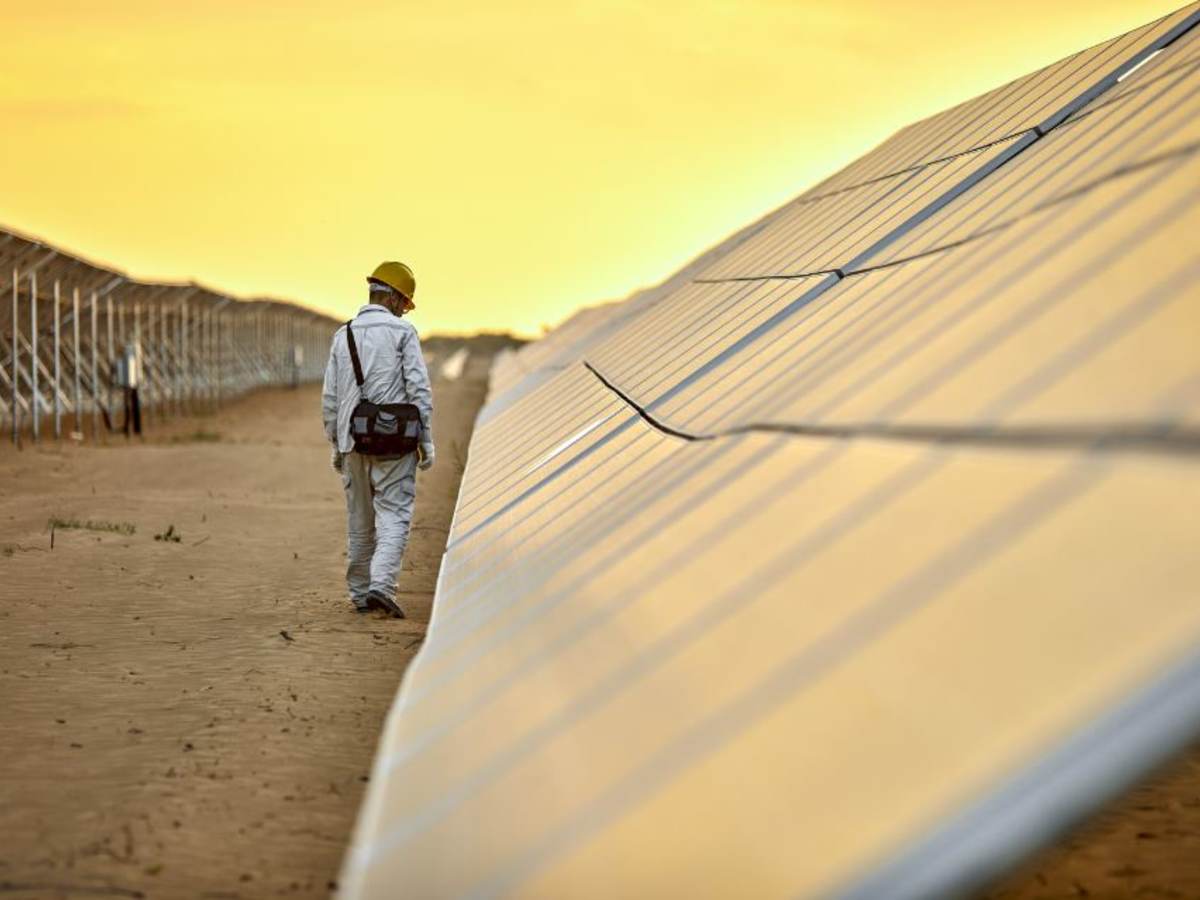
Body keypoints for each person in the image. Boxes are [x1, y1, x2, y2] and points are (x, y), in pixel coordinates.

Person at [322, 261, 434, 617]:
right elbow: (418, 389)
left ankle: (359, 594)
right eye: (404, 302)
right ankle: (381, 587)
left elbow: (330, 397)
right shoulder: (403, 333)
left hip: (353, 439)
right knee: (394, 514)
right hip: (396, 441)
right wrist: (425, 439)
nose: (404, 309)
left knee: (359, 520)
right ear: (396, 299)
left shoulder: (344, 335)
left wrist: (337, 442)